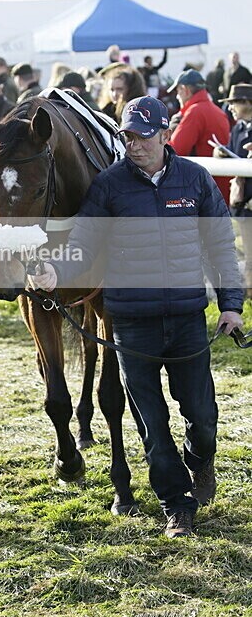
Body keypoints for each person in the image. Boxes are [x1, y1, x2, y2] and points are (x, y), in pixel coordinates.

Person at [29, 95, 244, 539]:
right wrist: (56, 272)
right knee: (152, 425)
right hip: (131, 326)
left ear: (165, 134)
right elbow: (83, 244)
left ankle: (201, 461)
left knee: (203, 417)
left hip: (187, 319)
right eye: (128, 137)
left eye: (144, 137)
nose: (135, 145)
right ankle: (176, 507)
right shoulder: (108, 186)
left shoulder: (196, 180)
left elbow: (221, 243)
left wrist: (231, 304)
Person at [168, 68, 231, 205]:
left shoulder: (194, 112)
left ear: (185, 90)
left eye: (178, 92)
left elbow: (175, 150)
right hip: (221, 188)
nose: (177, 97)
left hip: (202, 191)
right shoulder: (218, 111)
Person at [216, 83, 252, 298]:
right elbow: (231, 150)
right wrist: (220, 152)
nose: (230, 108)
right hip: (242, 201)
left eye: (234, 103)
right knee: (247, 252)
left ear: (247, 103)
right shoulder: (238, 128)